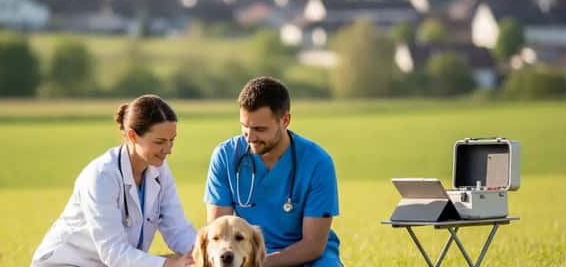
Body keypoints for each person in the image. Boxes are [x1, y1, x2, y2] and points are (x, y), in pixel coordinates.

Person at [32, 94, 196, 267]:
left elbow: (178, 228)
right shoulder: (101, 176)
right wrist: (170, 265)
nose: (168, 149)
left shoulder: (160, 170)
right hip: (66, 263)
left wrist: (204, 252)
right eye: (160, 142)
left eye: (172, 140)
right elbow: (113, 251)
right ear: (132, 136)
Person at [204, 76, 342, 267]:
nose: (250, 137)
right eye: (245, 126)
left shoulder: (317, 163)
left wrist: (260, 264)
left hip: (306, 258)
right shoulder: (225, 156)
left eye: (259, 129)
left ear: (285, 120)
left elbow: (313, 246)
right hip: (245, 254)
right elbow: (220, 234)